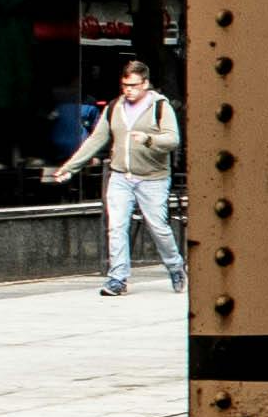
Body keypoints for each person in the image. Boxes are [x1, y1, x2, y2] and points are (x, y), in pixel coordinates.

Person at [52, 62, 186, 295]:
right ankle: (118, 278)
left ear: (145, 83)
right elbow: (96, 139)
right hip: (121, 175)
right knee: (116, 226)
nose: (128, 90)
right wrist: (70, 167)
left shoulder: (160, 107)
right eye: (125, 85)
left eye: (133, 85)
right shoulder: (114, 107)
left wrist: (148, 139)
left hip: (153, 177)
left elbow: (173, 139)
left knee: (158, 227)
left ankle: (175, 266)